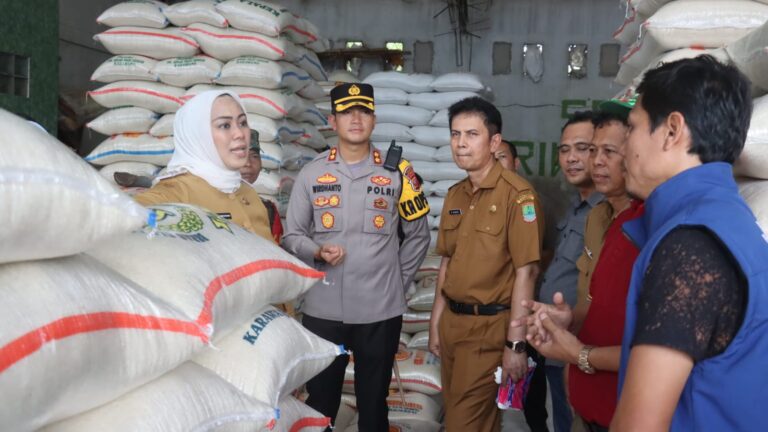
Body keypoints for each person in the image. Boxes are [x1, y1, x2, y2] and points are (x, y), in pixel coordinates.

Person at [612, 56, 766, 431]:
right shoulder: (731, 222)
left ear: (671, 130)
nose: (623, 146)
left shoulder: (690, 247)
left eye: (632, 127)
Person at [282, 83, 431, 431]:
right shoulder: (312, 174)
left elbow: (418, 236)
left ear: (374, 120)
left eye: (363, 111)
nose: (356, 119)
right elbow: (292, 236)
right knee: (320, 404)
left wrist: (396, 283)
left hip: (379, 311)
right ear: (333, 122)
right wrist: (317, 251)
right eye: (347, 112)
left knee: (374, 404)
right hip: (323, 309)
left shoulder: (398, 174)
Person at [516, 106, 644, 432]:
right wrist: (569, 321)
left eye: (603, 151)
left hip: (602, 370)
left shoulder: (642, 223)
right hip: (574, 352)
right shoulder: (596, 216)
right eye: (566, 150)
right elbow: (593, 295)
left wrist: (581, 354)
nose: (592, 160)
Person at [428, 96, 544, 431]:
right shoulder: (455, 194)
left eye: (471, 134)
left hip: (489, 330)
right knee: (469, 420)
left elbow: (527, 272)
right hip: (453, 325)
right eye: (455, 134)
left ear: (494, 142)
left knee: (463, 425)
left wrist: (516, 344)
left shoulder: (517, 195)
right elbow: (447, 263)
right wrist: (437, 321)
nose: (461, 143)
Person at [533, 111, 602, 432]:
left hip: (582, 348)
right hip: (557, 342)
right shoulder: (575, 205)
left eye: (583, 148)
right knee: (561, 418)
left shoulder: (606, 211)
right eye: (564, 150)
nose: (571, 158)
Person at [134, 90, 274, 242]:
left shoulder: (248, 193)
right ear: (198, 134)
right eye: (225, 125)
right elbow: (126, 217)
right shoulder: (175, 192)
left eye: (243, 123)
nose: (239, 133)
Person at [240, 136, 283, 243]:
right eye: (240, 156)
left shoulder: (268, 209)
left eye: (254, 156)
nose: (248, 163)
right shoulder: (208, 203)